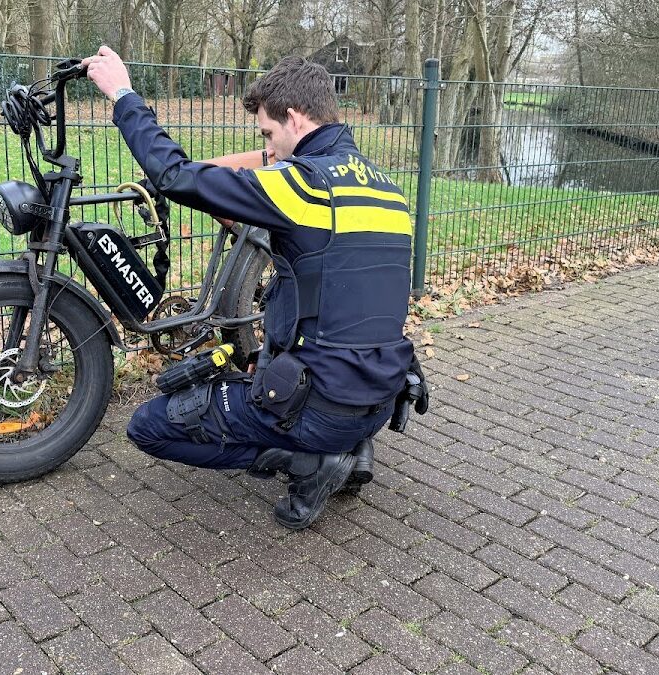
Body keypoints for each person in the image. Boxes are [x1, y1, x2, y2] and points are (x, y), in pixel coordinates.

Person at [80, 47, 416, 529]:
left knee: (150, 426)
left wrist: (122, 94)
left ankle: (312, 460)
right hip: (381, 397)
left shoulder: (305, 185)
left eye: (268, 134)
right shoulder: (388, 190)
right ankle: (345, 443)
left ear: (295, 119)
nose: (270, 149)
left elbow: (177, 176)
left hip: (323, 406)